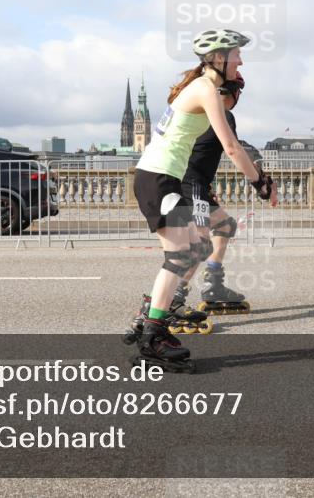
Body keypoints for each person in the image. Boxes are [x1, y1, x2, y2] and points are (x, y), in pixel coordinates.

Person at [124, 29, 275, 372]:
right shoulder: (205, 89)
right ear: (218, 58)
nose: (241, 61)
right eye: (236, 55)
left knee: (194, 249)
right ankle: (153, 337)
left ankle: (152, 317)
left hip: (162, 178)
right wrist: (260, 183)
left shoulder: (203, 87)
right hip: (158, 178)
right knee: (181, 255)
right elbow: (232, 147)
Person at [175, 71, 254, 316]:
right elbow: (234, 148)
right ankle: (174, 297)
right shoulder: (222, 114)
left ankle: (213, 284)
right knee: (200, 244)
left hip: (190, 182)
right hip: (192, 184)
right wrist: (260, 179)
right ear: (234, 93)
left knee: (225, 226)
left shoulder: (199, 110)